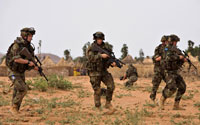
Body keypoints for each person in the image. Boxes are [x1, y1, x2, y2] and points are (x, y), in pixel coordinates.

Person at [6, 27, 39, 114]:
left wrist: (34, 67)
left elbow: (30, 61)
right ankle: (14, 107)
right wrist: (28, 62)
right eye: (30, 36)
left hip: (21, 72)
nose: (31, 38)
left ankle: (15, 109)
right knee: (23, 89)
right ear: (25, 36)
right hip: (13, 71)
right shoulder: (16, 46)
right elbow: (16, 59)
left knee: (17, 90)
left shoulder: (29, 48)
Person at [86, 31, 116, 113]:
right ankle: (98, 107)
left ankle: (108, 103)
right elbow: (90, 57)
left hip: (103, 71)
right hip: (94, 72)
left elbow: (107, 60)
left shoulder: (106, 48)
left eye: (101, 39)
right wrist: (100, 56)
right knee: (97, 90)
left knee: (111, 86)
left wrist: (112, 63)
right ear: (95, 39)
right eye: (98, 39)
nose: (100, 40)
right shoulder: (92, 48)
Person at [159, 34, 187, 110]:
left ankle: (176, 105)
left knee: (182, 87)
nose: (176, 43)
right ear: (172, 41)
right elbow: (167, 58)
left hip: (175, 71)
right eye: (175, 42)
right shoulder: (167, 49)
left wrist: (183, 59)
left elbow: (178, 59)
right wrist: (179, 57)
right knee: (172, 87)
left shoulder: (176, 49)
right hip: (168, 71)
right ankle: (162, 100)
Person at [150, 36, 168, 101]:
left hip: (166, 70)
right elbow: (156, 58)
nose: (165, 43)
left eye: (165, 41)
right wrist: (162, 57)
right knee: (155, 84)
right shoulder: (158, 48)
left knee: (170, 84)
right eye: (164, 41)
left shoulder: (169, 48)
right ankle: (152, 98)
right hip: (158, 69)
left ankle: (163, 97)